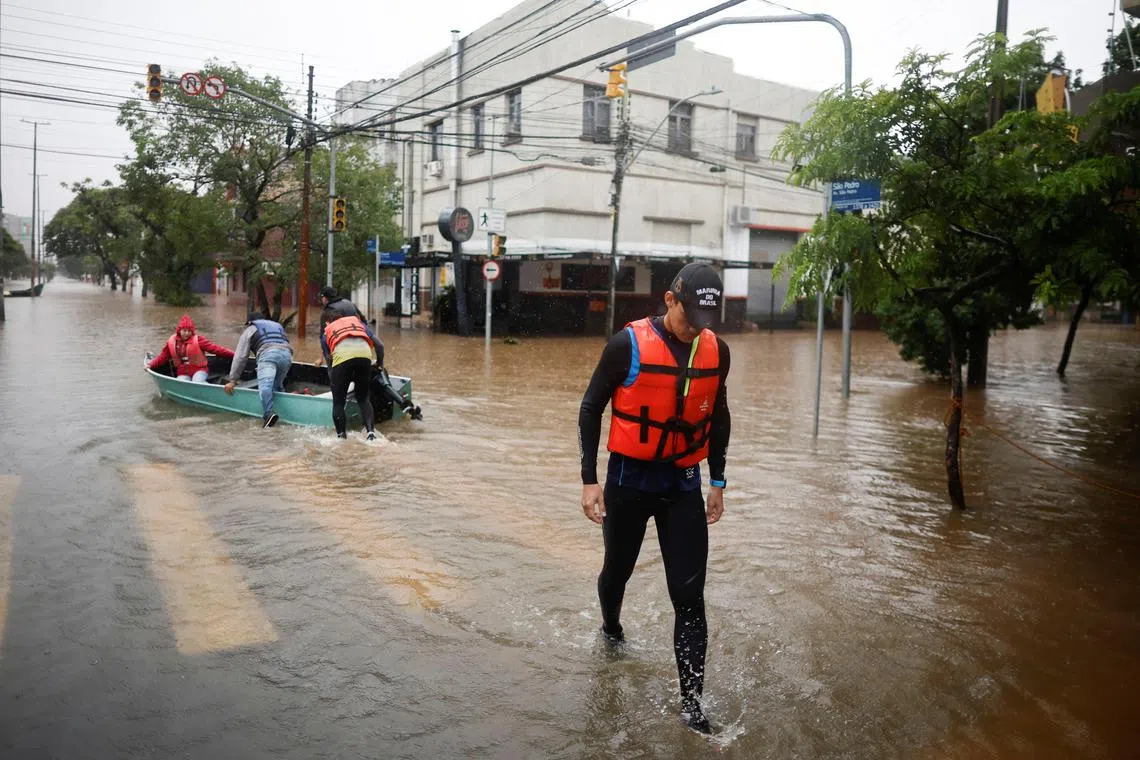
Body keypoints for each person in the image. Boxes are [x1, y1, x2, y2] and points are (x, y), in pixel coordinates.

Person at [577, 262, 732, 735]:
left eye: (704, 320)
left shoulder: (716, 351)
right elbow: (590, 408)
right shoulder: (626, 346)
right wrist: (589, 479)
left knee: (690, 598)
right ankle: (612, 629)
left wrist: (718, 481)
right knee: (617, 571)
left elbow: (719, 414)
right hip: (628, 479)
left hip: (683, 480)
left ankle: (691, 704)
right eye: (688, 316)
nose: (695, 329)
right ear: (670, 300)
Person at [318, 286, 382, 440]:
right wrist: (379, 364)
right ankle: (371, 433)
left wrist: (334, 378)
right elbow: (379, 345)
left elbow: (329, 358)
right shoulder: (356, 321)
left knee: (338, 402)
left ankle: (341, 437)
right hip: (365, 355)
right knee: (363, 397)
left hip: (343, 358)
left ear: (328, 321)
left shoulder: (328, 330)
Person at [223, 311, 293, 429]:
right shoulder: (277, 326)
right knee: (277, 386)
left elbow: (240, 356)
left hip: (268, 355)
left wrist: (233, 380)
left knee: (265, 387)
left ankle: (268, 414)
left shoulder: (251, 328)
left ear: (250, 322)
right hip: (287, 355)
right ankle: (288, 412)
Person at [148, 314, 235, 383]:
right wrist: (151, 364)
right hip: (183, 372)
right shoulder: (172, 341)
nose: (187, 333)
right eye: (184, 331)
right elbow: (163, 356)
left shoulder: (199, 340)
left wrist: (234, 355)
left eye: (189, 331)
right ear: (179, 330)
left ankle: (213, 392)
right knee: (180, 383)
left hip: (199, 370)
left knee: (197, 382)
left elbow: (216, 349)